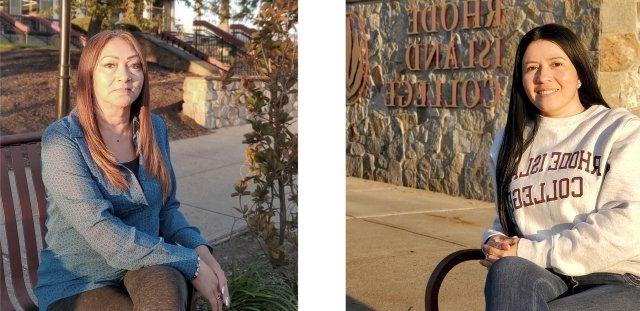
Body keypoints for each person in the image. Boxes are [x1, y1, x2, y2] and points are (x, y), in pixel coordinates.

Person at [34, 30, 230, 311]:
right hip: (79, 281)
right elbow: (102, 233)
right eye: (110, 65)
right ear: (89, 74)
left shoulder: (155, 129)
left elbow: (166, 210)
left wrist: (201, 252)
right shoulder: (62, 141)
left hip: (142, 266)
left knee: (166, 282)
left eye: (135, 65)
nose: (125, 75)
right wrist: (191, 264)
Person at [481, 24, 640, 310]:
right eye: (531, 68)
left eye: (556, 64)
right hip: (542, 276)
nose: (543, 77)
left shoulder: (620, 130)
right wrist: (496, 240)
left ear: (579, 73)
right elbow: (508, 220)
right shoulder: (509, 141)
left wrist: (530, 250)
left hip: (616, 278)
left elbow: (627, 225)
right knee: (507, 272)